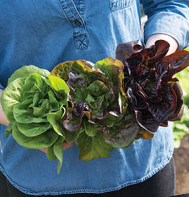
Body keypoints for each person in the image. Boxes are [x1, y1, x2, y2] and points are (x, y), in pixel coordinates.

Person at [0, 0, 189, 196]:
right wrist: (32, 120)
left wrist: (154, 61)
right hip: (40, 177)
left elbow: (170, 4)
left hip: (141, 163)